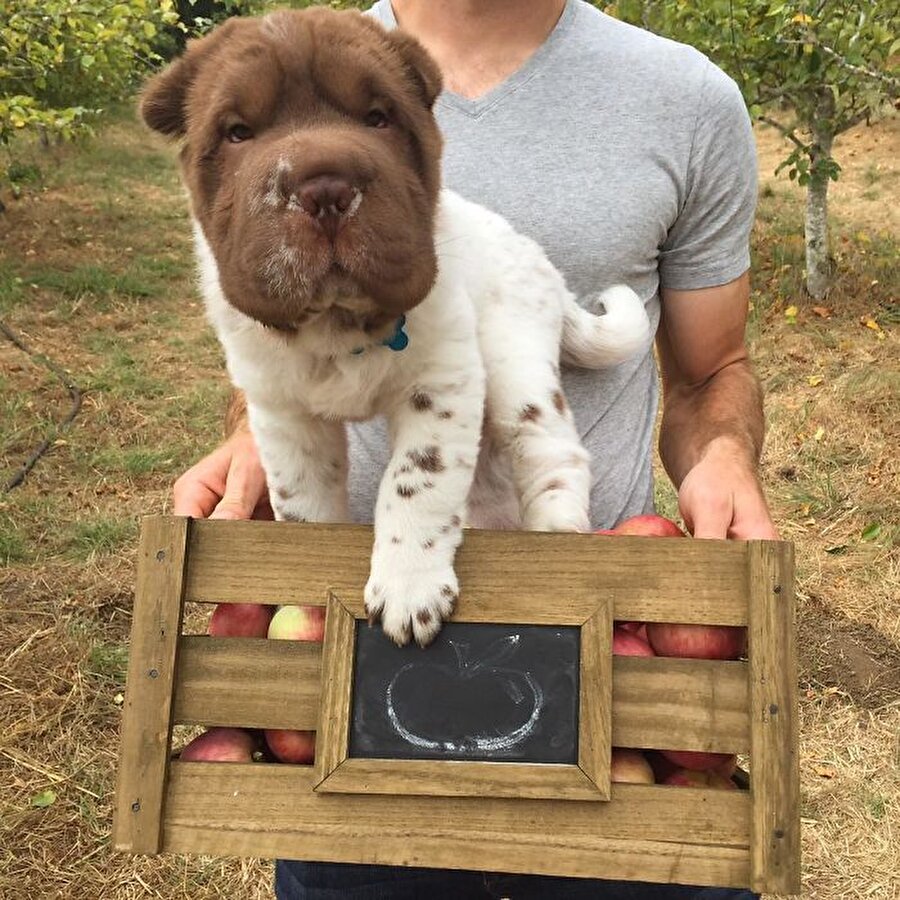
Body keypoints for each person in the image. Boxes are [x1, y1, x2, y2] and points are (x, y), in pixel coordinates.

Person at [173, 1, 778, 896]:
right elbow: (278, 339)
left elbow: (712, 365)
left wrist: (724, 451)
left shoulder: (684, 98)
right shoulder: (281, 62)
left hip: (600, 657)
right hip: (356, 656)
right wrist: (253, 433)